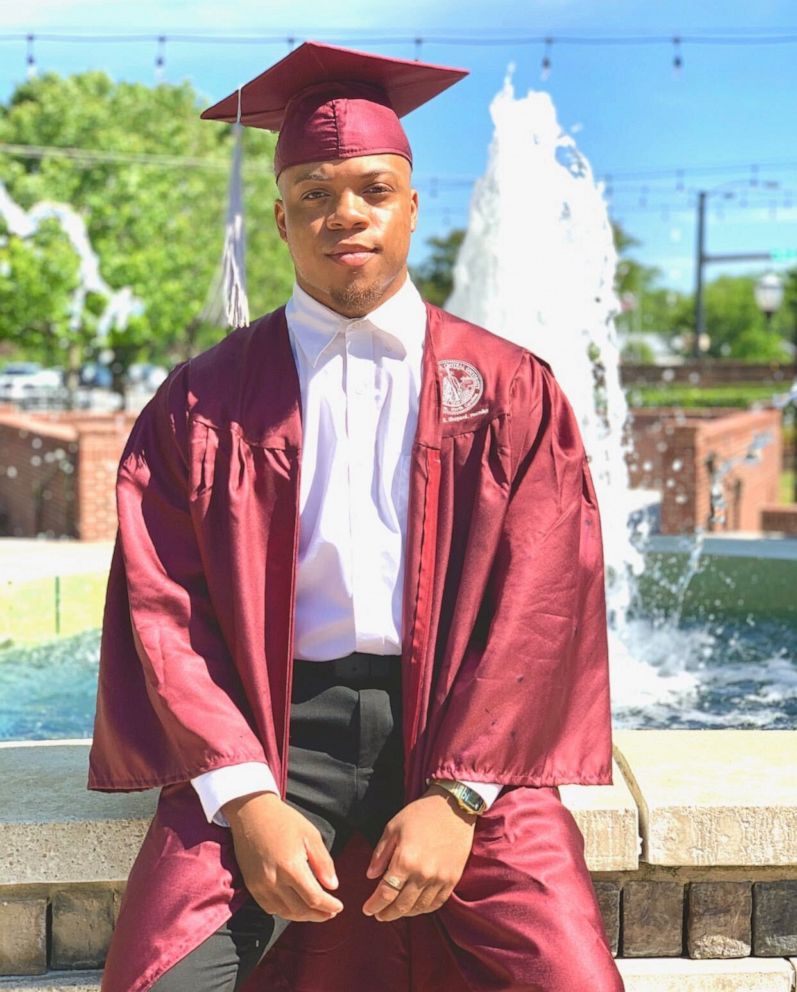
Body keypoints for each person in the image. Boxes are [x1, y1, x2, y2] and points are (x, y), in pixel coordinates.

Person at [89, 42, 625, 992]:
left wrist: (460, 796)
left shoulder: (507, 389)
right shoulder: (201, 400)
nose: (346, 215)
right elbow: (161, 608)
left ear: (411, 207)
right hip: (269, 729)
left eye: (373, 190)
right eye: (313, 195)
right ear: (283, 220)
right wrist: (245, 796)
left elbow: (544, 602)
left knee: (570, 977)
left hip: (462, 734)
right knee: (156, 979)